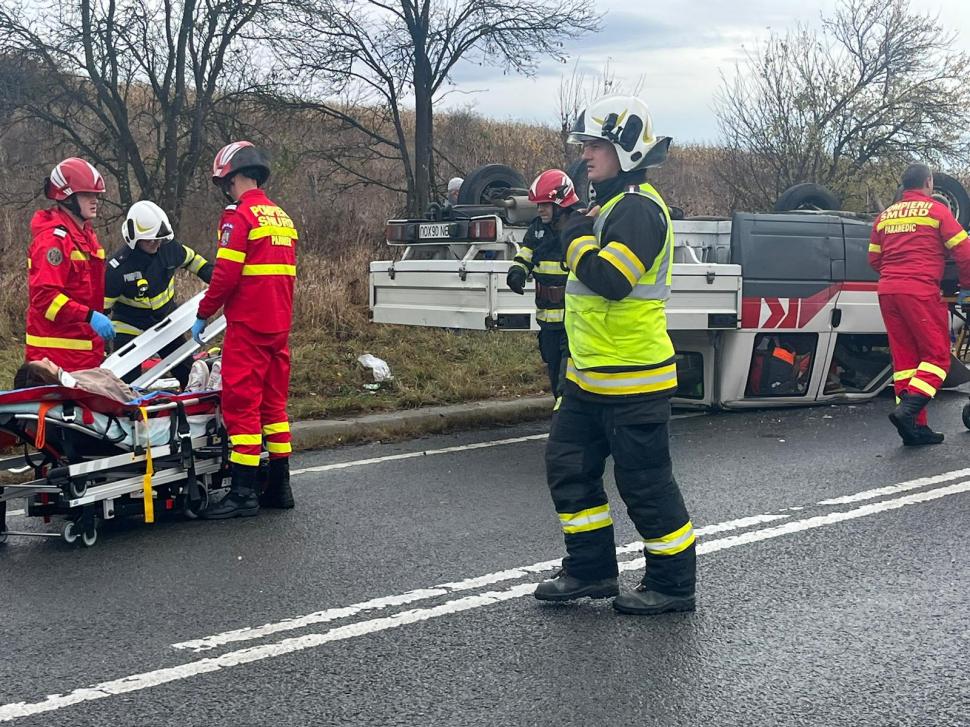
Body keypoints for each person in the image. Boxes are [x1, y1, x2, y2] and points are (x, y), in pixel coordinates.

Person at [534, 95, 696, 615]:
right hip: (587, 381)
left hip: (634, 383)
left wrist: (573, 237)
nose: (585, 154)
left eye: (596, 145)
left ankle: (672, 585)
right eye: (584, 145)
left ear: (627, 148)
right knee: (568, 467)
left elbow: (613, 281)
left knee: (644, 487)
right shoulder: (608, 206)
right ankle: (591, 570)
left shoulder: (639, 209)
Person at [193, 141, 297, 517]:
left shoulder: (239, 217)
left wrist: (204, 312)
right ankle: (280, 486)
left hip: (249, 328)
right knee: (274, 407)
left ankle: (243, 492)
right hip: (278, 328)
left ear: (231, 177)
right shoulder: (281, 217)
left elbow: (225, 276)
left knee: (242, 406)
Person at [869, 163, 970, 445]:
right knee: (937, 357)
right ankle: (908, 412)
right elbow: (965, 253)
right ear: (928, 183)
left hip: (888, 291)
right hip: (920, 291)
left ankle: (914, 428)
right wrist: (966, 287)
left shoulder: (885, 217)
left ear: (903, 186)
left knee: (906, 362)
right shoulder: (937, 212)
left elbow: (874, 260)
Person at [104, 200, 213, 388]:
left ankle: (195, 409)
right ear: (134, 239)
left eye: (159, 239)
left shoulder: (170, 249)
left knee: (188, 371)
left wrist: (220, 282)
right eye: (150, 240)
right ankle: (131, 414)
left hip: (165, 322)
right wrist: (104, 348)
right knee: (128, 383)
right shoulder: (117, 268)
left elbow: (196, 263)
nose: (156, 244)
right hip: (129, 326)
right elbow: (102, 309)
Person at [25, 157, 114, 371]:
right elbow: (45, 298)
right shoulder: (53, 241)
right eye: (86, 194)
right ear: (67, 197)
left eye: (96, 195)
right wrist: (89, 316)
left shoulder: (85, 235)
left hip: (82, 351)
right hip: (56, 356)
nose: (94, 200)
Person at [506, 170, 581, 397]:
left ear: (561, 203)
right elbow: (528, 252)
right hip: (547, 321)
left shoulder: (577, 228)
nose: (540, 209)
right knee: (554, 372)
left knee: (566, 381)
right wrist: (517, 271)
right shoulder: (538, 228)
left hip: (573, 323)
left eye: (546, 204)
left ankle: (564, 422)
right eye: (538, 204)